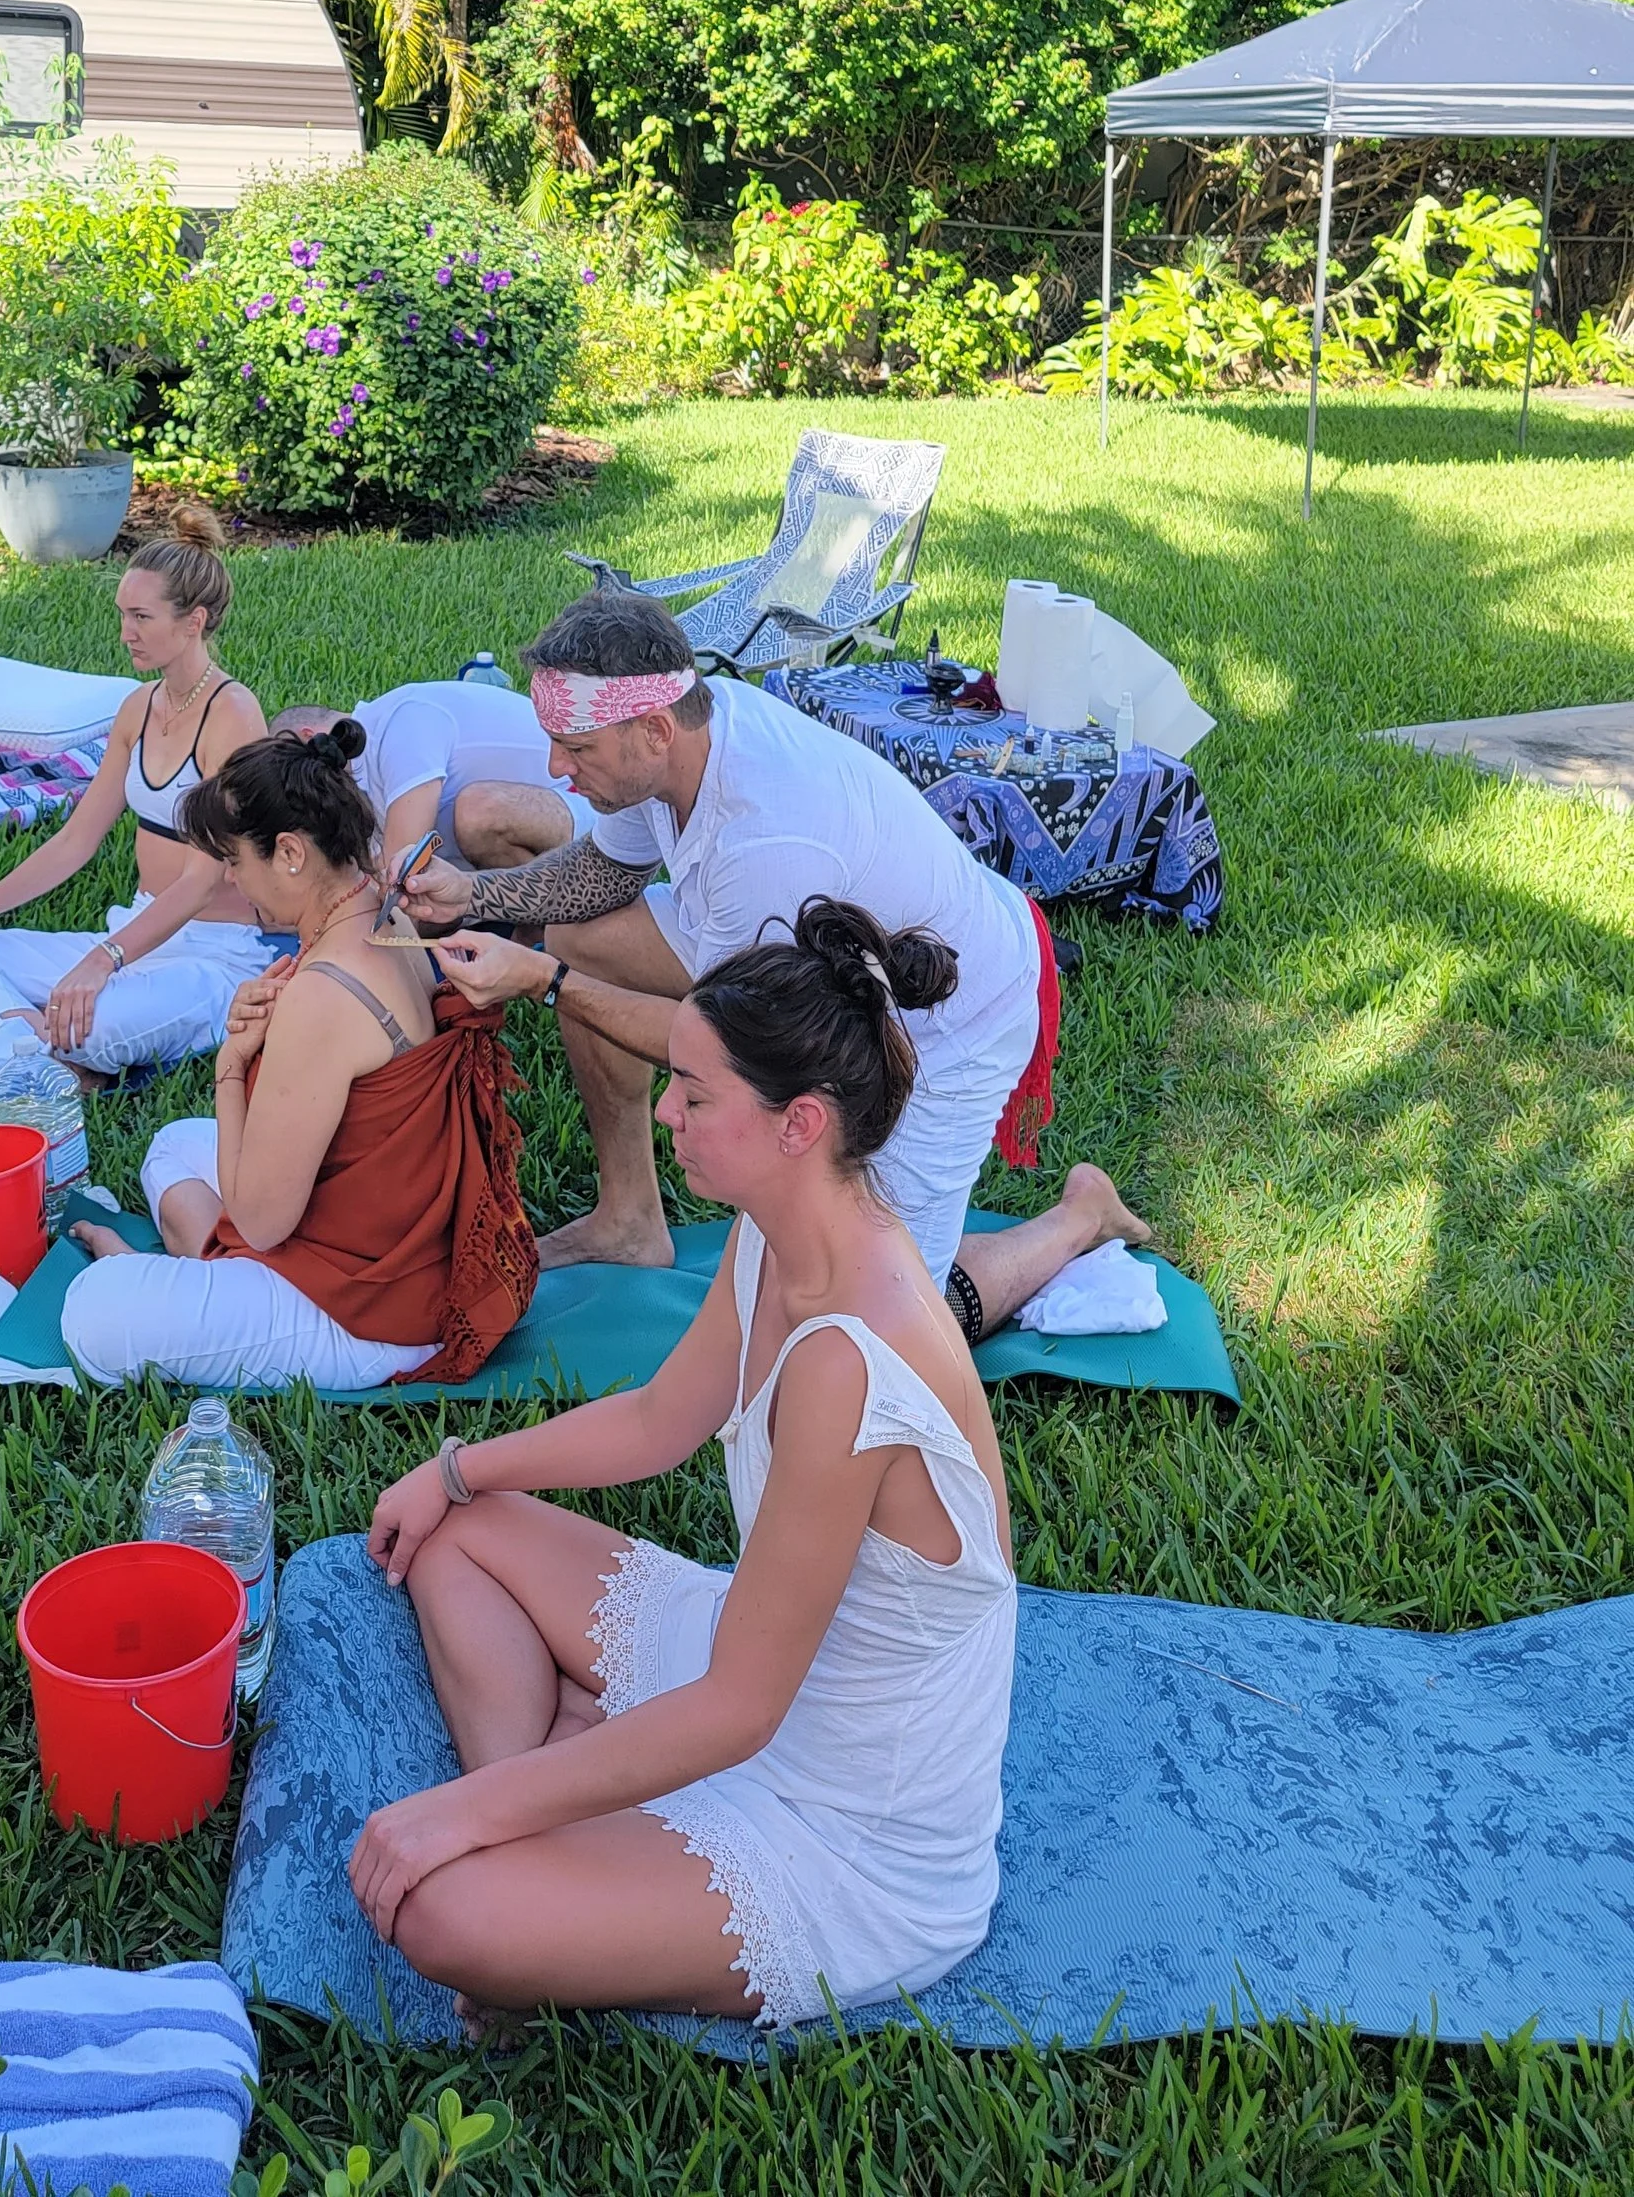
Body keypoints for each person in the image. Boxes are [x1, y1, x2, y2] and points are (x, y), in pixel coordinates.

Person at [347, 904, 1016, 2033]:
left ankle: (542, 1818)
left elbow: (737, 1713)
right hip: (749, 1658)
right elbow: (661, 1419)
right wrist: (456, 1469)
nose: (663, 1111)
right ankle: (554, 1806)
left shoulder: (853, 1362)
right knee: (458, 1532)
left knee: (438, 1904)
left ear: (799, 1122)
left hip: (838, 1815)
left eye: (695, 1097)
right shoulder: (777, 1224)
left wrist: (456, 1817)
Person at [409, 593, 1142, 1340]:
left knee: (878, 1326)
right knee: (581, 934)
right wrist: (475, 893)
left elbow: (728, 1052)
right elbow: (604, 871)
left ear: (654, 729)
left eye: (578, 747)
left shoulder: (762, 842)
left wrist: (543, 980)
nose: (557, 767)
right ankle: (629, 1218)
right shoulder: (685, 732)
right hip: (815, 951)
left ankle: (1077, 1217)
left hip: (948, 1012)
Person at [58, 723, 537, 1392]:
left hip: (369, 1314)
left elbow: (259, 1221)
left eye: (234, 862)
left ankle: (195, 1280)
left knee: (91, 1313)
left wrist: (232, 1066)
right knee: (171, 1147)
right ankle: (206, 1278)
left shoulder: (322, 993)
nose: (230, 882)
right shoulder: (383, 915)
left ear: (288, 852)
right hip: (398, 1244)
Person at [0, 517, 278, 1082]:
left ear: (193, 622)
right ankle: (35, 1045)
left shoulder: (233, 715)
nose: (126, 632)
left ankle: (11, 1043)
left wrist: (104, 960)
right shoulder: (137, 708)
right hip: (133, 930)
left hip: (211, 956)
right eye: (123, 614)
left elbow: (200, 882)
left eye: (142, 617)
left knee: (88, 1028)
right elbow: (75, 841)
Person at [272, 677, 591, 876]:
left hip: (583, 803)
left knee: (477, 811)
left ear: (310, 735)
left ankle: (537, 933)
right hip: (541, 836)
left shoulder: (400, 724)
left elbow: (402, 864)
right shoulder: (360, 783)